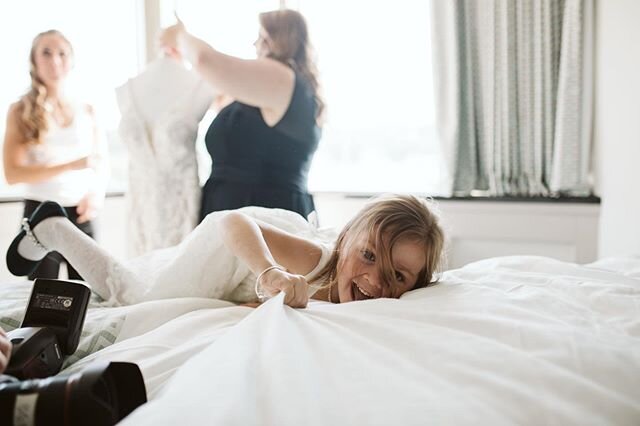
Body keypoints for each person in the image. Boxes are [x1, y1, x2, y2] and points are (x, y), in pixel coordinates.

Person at [6, 194, 444, 309]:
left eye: (399, 277)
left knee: (156, 273)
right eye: (368, 257)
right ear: (346, 240)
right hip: (233, 245)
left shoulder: (371, 299)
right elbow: (234, 222)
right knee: (138, 296)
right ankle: (55, 227)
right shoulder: (317, 260)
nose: (375, 281)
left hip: (241, 267)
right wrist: (270, 274)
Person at [159, 9, 324, 224]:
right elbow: (212, 85)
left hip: (265, 219)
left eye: (261, 37)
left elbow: (204, 60)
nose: (254, 44)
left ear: (277, 41)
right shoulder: (262, 94)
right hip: (235, 212)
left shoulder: (282, 78)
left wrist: (180, 35)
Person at [2, 29, 109, 281]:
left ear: (71, 60)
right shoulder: (20, 111)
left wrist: (96, 196)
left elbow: (100, 162)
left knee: (90, 296)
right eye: (46, 53)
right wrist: (72, 165)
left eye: (62, 53)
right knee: (43, 298)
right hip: (40, 214)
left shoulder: (88, 109)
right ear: (34, 60)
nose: (55, 60)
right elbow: (12, 174)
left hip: (81, 214)